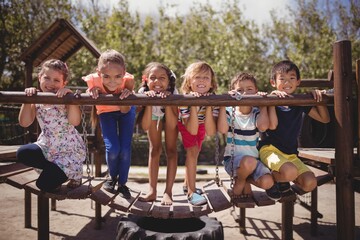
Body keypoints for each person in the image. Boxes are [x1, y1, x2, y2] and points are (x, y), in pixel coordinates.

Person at [259, 60, 330, 198]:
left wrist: (318, 99)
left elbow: (325, 119)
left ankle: (283, 180)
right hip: (269, 150)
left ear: (298, 81)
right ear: (273, 82)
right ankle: (272, 178)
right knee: (289, 171)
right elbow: (270, 125)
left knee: (310, 182)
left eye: (291, 78)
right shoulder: (269, 99)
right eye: (282, 79)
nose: (287, 82)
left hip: (290, 154)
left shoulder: (299, 102)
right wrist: (271, 101)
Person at [17, 59, 86, 192]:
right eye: (47, 78)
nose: (51, 83)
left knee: (43, 185)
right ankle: (59, 172)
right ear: (39, 77)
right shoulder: (36, 98)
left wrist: (70, 98)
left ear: (63, 83)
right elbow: (24, 122)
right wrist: (27, 100)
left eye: (56, 80)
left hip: (69, 150)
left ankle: (73, 172)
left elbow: (75, 121)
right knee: (23, 153)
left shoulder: (65, 98)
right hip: (47, 146)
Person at [217, 72, 281, 201]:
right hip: (233, 161)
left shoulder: (256, 112)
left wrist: (262, 104)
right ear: (232, 92)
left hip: (253, 162)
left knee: (268, 182)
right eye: (240, 90)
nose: (245, 93)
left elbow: (263, 127)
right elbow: (223, 129)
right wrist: (223, 104)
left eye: (249, 89)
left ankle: (245, 180)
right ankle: (240, 181)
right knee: (249, 162)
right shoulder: (230, 111)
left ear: (256, 91)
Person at [83, 49, 136, 199]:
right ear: (98, 72)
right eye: (106, 76)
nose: (112, 81)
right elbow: (90, 90)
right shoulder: (93, 80)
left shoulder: (129, 81)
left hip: (125, 111)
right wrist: (91, 90)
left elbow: (126, 109)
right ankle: (112, 177)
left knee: (125, 149)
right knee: (113, 148)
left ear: (124, 73)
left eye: (118, 76)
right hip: (106, 112)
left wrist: (126, 94)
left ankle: (123, 184)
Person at [137, 62, 179, 205]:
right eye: (153, 77)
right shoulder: (143, 93)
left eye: (162, 78)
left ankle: (168, 192)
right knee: (154, 150)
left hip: (169, 114)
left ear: (169, 81)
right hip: (153, 115)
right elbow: (145, 126)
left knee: (171, 151)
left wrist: (167, 101)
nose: (157, 81)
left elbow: (172, 124)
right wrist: (148, 101)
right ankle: (152, 191)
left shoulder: (173, 92)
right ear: (146, 80)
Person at [178, 61, 217, 206]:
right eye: (197, 77)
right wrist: (194, 103)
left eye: (206, 78)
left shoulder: (213, 97)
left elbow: (211, 129)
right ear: (189, 81)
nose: (202, 81)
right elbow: (191, 128)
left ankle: (186, 184)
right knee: (192, 151)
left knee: (196, 151)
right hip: (186, 124)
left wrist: (207, 104)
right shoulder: (184, 99)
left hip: (202, 124)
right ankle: (191, 192)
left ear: (211, 83)